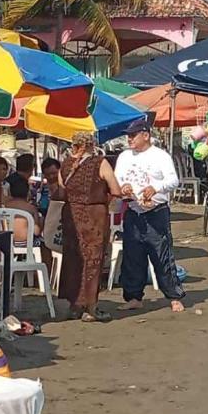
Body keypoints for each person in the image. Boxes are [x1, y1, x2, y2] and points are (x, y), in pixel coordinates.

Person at [114, 119, 186, 313]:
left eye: (133, 135)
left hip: (156, 211)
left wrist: (155, 187)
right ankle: (134, 296)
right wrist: (124, 187)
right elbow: (118, 178)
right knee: (132, 255)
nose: (129, 139)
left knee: (161, 255)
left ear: (145, 135)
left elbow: (173, 180)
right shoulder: (124, 156)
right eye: (128, 135)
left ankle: (174, 296)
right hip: (133, 209)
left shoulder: (160, 156)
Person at [56, 132, 121, 322]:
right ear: (92, 145)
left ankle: (74, 304)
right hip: (94, 217)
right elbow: (115, 190)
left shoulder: (65, 165)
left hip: (70, 216)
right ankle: (91, 307)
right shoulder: (100, 163)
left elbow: (62, 190)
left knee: (73, 258)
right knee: (93, 259)